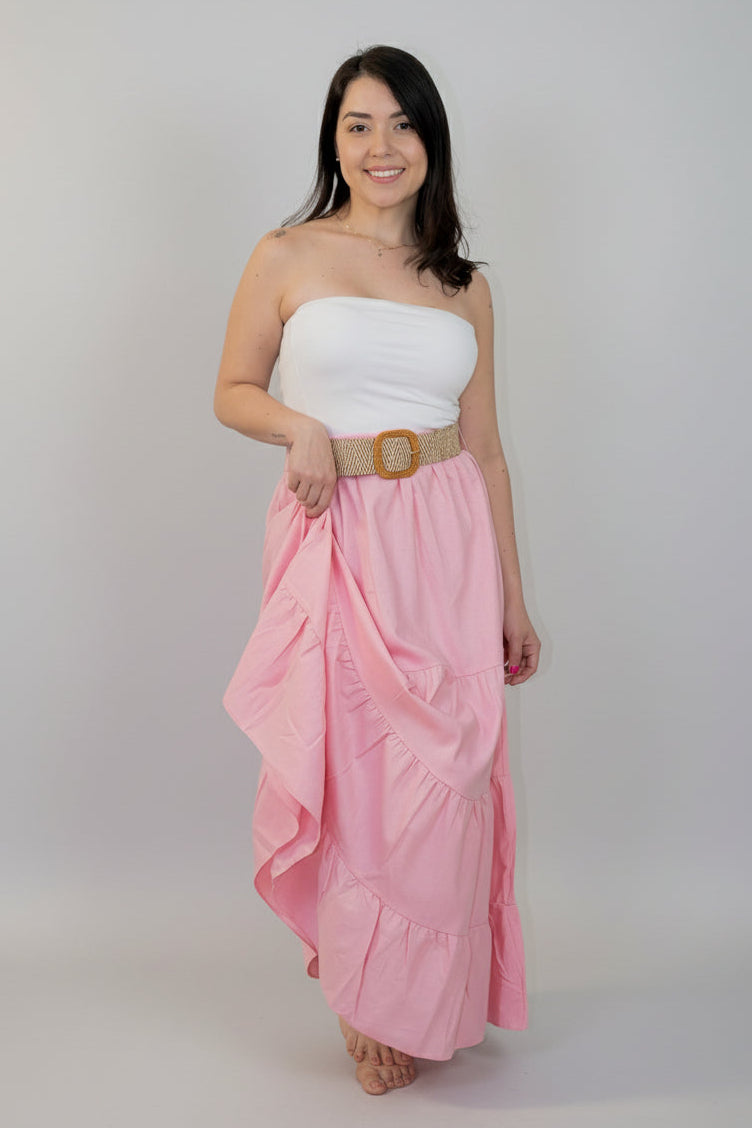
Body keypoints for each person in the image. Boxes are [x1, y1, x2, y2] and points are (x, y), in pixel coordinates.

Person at [214, 44, 541, 1097]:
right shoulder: (285, 253)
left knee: (444, 783)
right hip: (341, 534)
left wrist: (511, 595)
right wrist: (299, 428)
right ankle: (365, 996)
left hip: (445, 545)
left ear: (429, 141)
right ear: (333, 141)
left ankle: (430, 995)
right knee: (359, 777)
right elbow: (230, 388)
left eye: (400, 124)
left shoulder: (465, 287)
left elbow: (486, 450)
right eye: (357, 125)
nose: (379, 146)